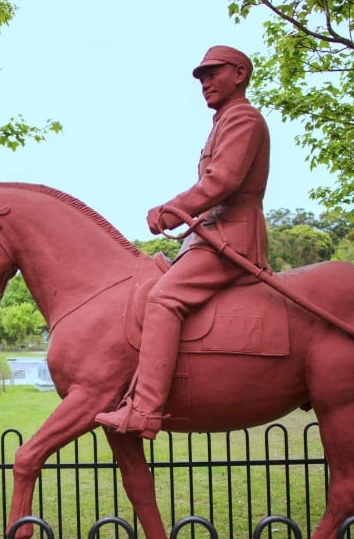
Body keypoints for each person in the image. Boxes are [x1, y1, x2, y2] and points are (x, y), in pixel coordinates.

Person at [95, 45, 271, 438]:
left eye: (213, 73)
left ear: (239, 74)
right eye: (201, 77)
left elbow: (222, 181)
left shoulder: (243, 118)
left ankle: (144, 411)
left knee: (162, 298)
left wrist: (173, 207)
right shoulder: (224, 122)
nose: (204, 82)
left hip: (231, 237)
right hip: (209, 234)